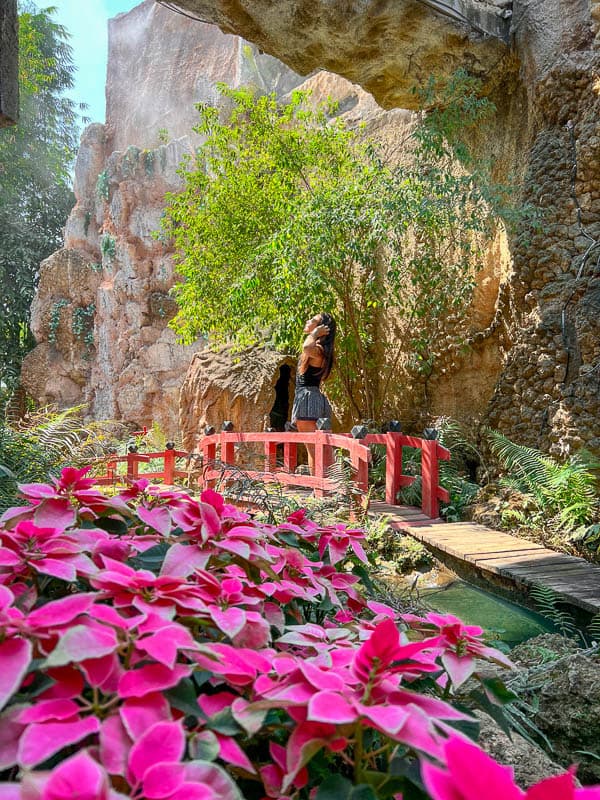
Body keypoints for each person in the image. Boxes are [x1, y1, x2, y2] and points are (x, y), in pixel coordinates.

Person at [291, 312, 336, 474]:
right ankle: (329, 486)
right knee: (320, 447)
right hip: (312, 397)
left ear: (322, 329)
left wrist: (314, 334)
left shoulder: (318, 350)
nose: (308, 321)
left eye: (314, 321)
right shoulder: (322, 351)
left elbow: (306, 347)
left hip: (308, 399)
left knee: (314, 448)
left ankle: (320, 489)